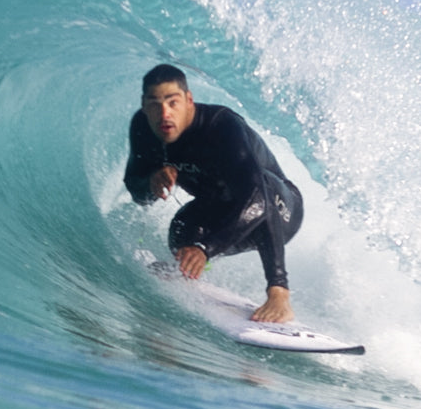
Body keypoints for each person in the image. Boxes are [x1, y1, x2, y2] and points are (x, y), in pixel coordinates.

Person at [123, 64, 306, 323]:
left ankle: (279, 293)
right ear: (144, 105)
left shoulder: (222, 127)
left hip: (281, 209)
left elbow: (257, 197)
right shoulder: (143, 128)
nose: (164, 114)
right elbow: (136, 192)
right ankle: (188, 273)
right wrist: (151, 183)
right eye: (154, 104)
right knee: (182, 229)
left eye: (173, 103)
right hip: (223, 209)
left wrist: (206, 248)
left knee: (260, 185)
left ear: (189, 100)